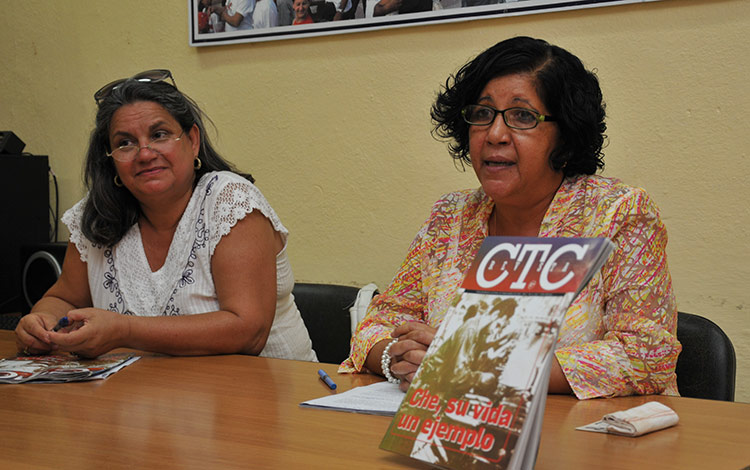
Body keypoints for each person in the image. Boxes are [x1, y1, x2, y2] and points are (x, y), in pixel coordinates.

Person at [340, 37, 681, 400]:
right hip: (457, 435)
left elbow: (645, 355)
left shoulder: (619, 214)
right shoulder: (449, 218)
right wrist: (402, 362)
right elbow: (376, 325)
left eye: (523, 116)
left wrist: (480, 366)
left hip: (588, 441)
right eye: (483, 114)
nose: (495, 135)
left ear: (564, 135)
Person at [15, 69, 317, 362]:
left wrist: (124, 331)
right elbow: (65, 299)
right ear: (110, 160)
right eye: (125, 143)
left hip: (266, 398)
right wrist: (41, 321)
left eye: (159, 135)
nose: (144, 153)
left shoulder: (229, 200)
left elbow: (248, 331)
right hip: (147, 400)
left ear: (192, 140)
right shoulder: (94, 216)